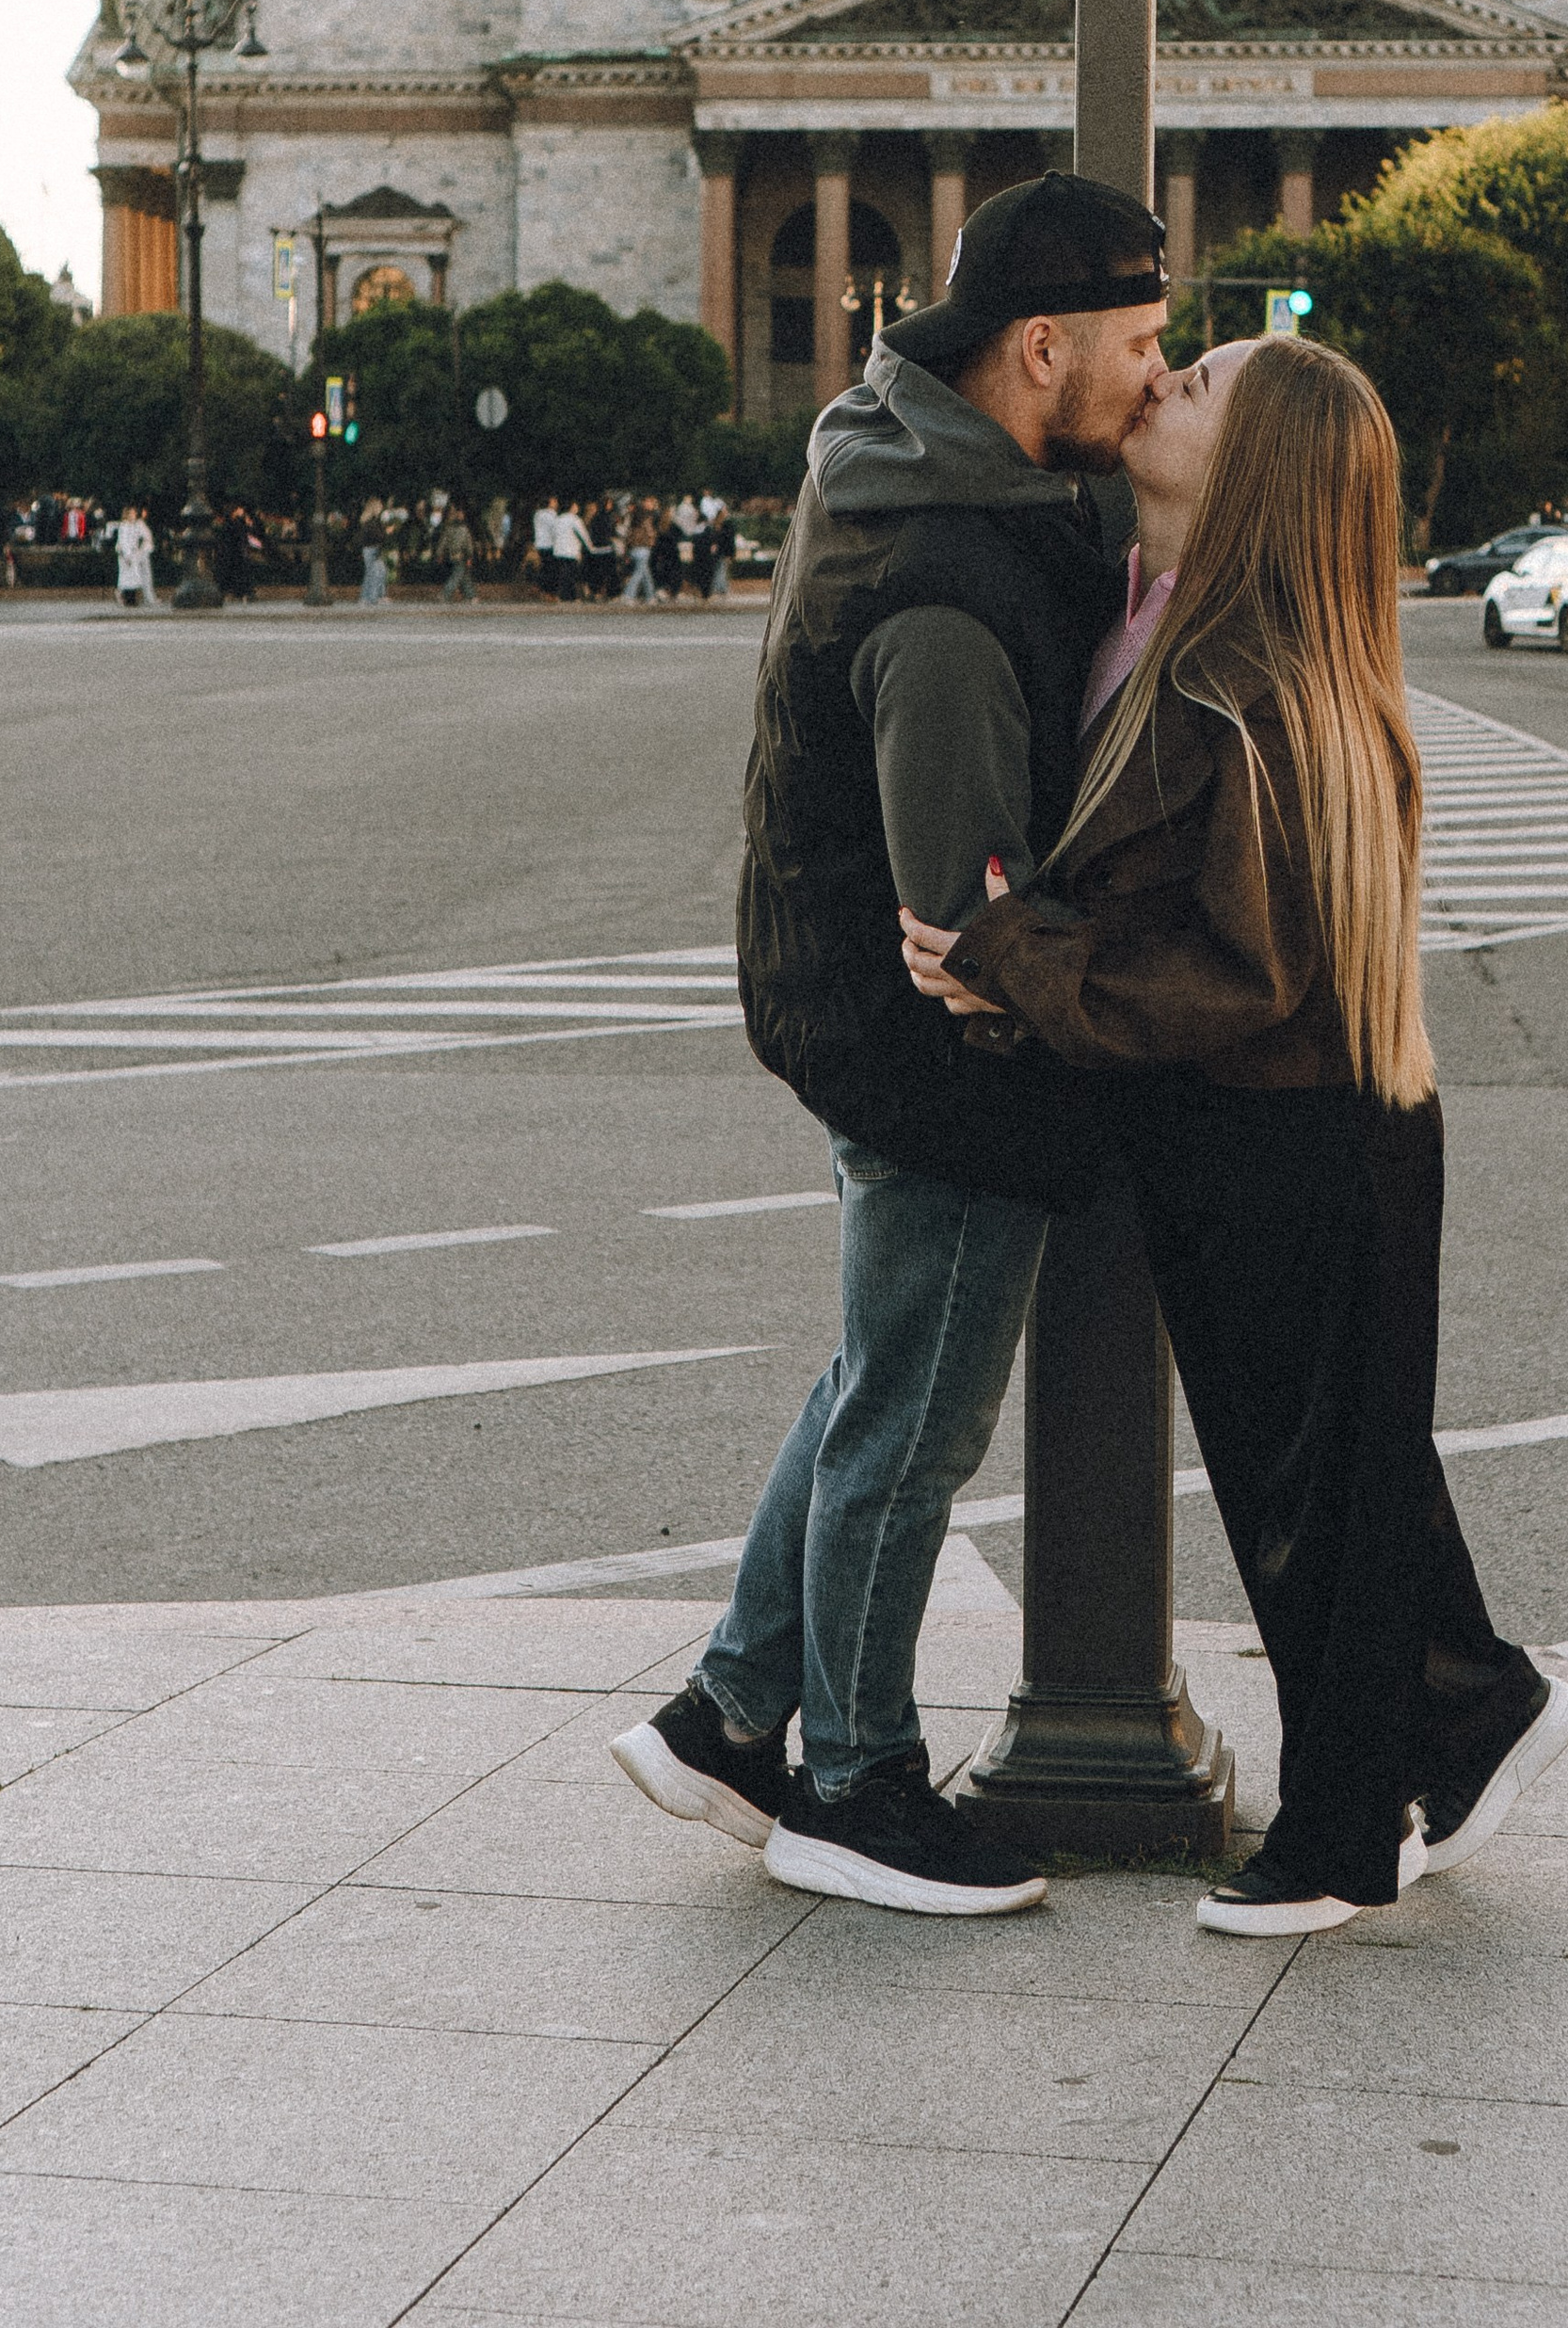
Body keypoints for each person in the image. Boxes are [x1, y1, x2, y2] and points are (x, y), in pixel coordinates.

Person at [903, 334, 1568, 1937]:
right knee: (1336, 1469)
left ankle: (1345, 1835)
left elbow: (1246, 969)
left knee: (1314, 1491)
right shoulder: (1189, 628)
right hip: (1269, 1126)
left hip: (1287, 1122)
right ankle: (1469, 1711)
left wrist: (1015, 963)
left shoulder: (1245, 677)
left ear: (1257, 467)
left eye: (1195, 385)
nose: (1160, 392)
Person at [613, 170, 1172, 1920]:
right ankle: (852, 1781)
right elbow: (964, 921)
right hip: (922, 1054)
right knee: (915, 1423)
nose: (1161, 382)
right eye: (1143, 350)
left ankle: (728, 1710)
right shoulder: (945, 577)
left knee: (875, 1373)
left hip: (840, 1013)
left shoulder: (932, 478)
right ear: (1041, 346)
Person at [116, 504, 157, 611]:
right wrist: (127, 555)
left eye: (134, 513)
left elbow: (145, 537)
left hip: (134, 553)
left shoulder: (137, 525)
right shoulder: (124, 526)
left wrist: (141, 549)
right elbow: (123, 542)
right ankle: (125, 597)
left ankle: (132, 599)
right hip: (126, 555)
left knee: (134, 578)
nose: (132, 515)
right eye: (130, 514)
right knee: (126, 578)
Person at [619, 501, 657, 604]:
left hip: (633, 550)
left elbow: (628, 537)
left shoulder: (632, 522)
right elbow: (651, 534)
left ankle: (651, 596)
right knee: (638, 573)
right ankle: (628, 595)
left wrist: (626, 552)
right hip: (644, 549)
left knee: (645, 573)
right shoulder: (646, 521)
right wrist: (651, 543)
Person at [440, 500, 476, 602]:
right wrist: (470, 556)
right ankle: (445, 594)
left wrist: (440, 553)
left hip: (451, 555)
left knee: (463, 576)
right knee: (456, 576)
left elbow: (443, 542)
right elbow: (468, 544)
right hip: (461, 556)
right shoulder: (464, 529)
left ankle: (472, 596)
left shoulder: (449, 528)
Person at [357, 504, 389, 609]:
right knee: (373, 573)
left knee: (380, 571)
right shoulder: (370, 522)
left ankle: (375, 596)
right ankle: (369, 598)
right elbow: (375, 535)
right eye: (379, 506)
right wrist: (385, 533)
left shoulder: (374, 521)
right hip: (371, 549)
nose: (380, 508)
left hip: (374, 549)